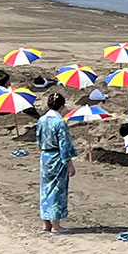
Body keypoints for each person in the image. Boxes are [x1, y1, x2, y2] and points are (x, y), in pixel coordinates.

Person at [36, 92, 77, 234]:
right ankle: (55, 224)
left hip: (45, 156)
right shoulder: (59, 122)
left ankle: (45, 223)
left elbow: (39, 139)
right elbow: (64, 145)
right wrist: (70, 163)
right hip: (57, 157)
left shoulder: (42, 120)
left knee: (45, 189)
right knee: (57, 190)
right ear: (62, 106)